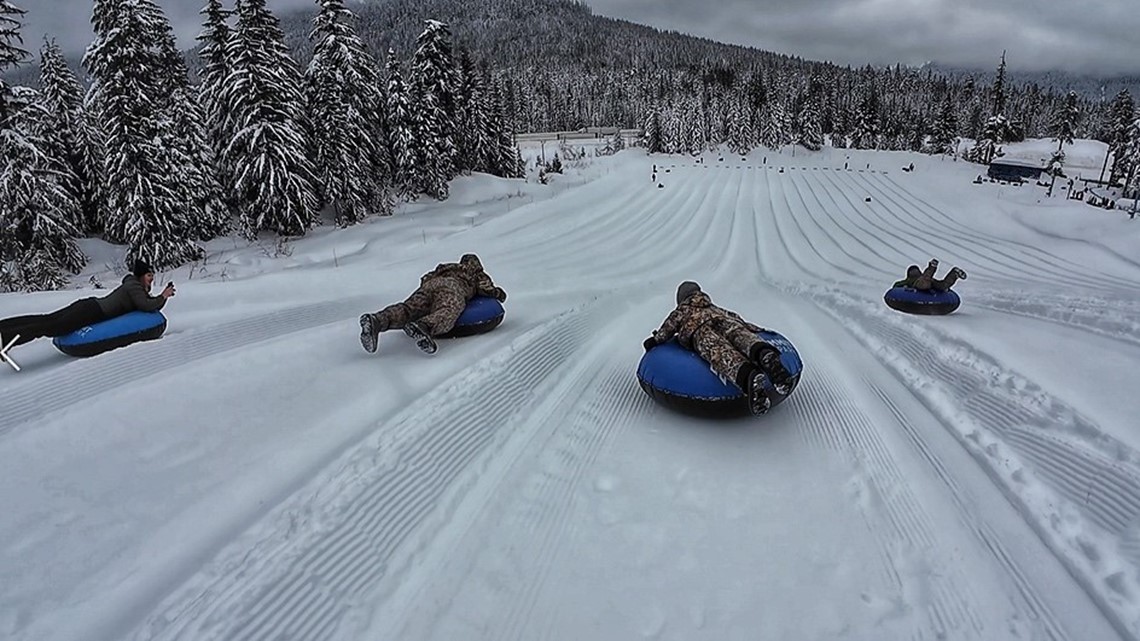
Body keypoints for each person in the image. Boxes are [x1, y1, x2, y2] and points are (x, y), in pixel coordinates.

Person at [642, 281, 793, 415]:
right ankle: (764, 354)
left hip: (699, 330)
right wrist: (753, 328)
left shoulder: (682, 310)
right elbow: (735, 317)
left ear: (681, 298)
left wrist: (655, 340)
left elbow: (668, 328)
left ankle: (749, 376)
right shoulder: (712, 306)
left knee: (720, 352)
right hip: (725, 321)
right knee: (741, 337)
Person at [0, 259, 174, 349]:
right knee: (49, 327)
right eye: (149, 275)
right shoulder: (134, 286)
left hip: (89, 307)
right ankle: (6, 339)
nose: (152, 279)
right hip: (91, 312)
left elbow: (148, 303)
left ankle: (4, 328)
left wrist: (161, 297)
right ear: (141, 276)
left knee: (46, 320)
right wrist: (163, 296)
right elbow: (146, 306)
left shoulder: (133, 286)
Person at [359, 253, 507, 355]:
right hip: (452, 286)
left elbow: (425, 278)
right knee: (450, 308)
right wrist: (499, 294)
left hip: (429, 285)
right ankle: (425, 326)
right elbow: (486, 289)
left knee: (408, 309)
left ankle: (377, 320)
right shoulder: (474, 273)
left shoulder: (447, 267)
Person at [894, 259, 967, 292]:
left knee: (925, 282)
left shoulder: (909, 280)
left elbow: (897, 285)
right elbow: (897, 285)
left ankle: (932, 267)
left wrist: (903, 286)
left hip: (922, 283)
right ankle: (954, 273)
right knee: (943, 285)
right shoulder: (911, 279)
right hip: (930, 282)